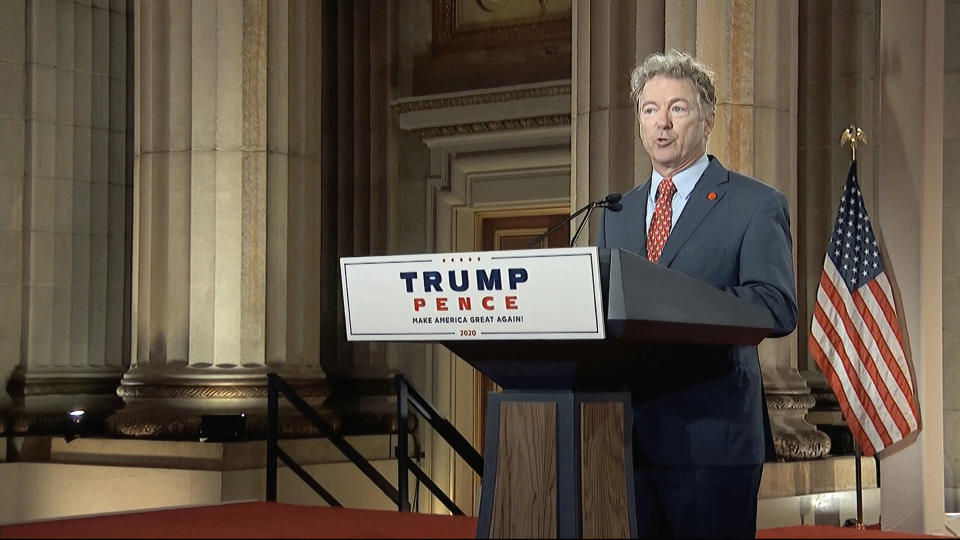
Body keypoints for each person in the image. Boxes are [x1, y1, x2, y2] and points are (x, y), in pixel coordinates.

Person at [595, 50, 798, 538]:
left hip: (713, 441)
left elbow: (777, 306)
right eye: (649, 110)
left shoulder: (755, 204)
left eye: (677, 109)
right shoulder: (617, 211)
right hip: (628, 441)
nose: (662, 124)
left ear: (707, 118)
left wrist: (678, 302)